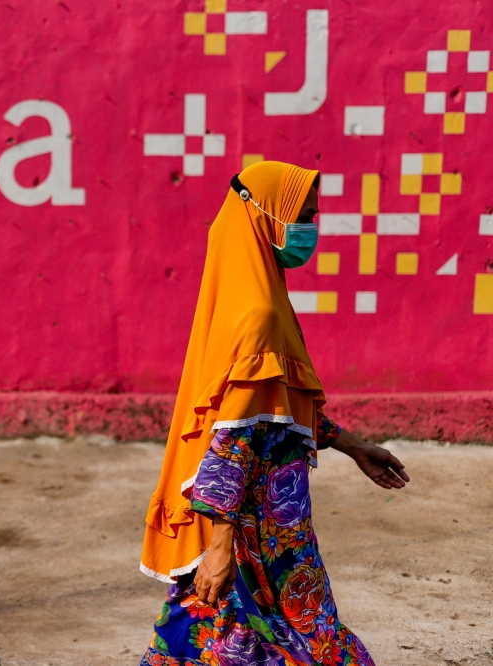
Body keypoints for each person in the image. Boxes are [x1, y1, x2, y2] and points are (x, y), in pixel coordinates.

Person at [138, 161, 410, 666]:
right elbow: (232, 436)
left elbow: (274, 407)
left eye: (314, 215)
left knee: (215, 640)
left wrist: (352, 447)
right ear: (261, 216)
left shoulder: (258, 297)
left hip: (263, 516)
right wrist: (221, 543)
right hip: (254, 527)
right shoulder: (258, 314)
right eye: (302, 216)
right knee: (306, 638)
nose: (310, 230)